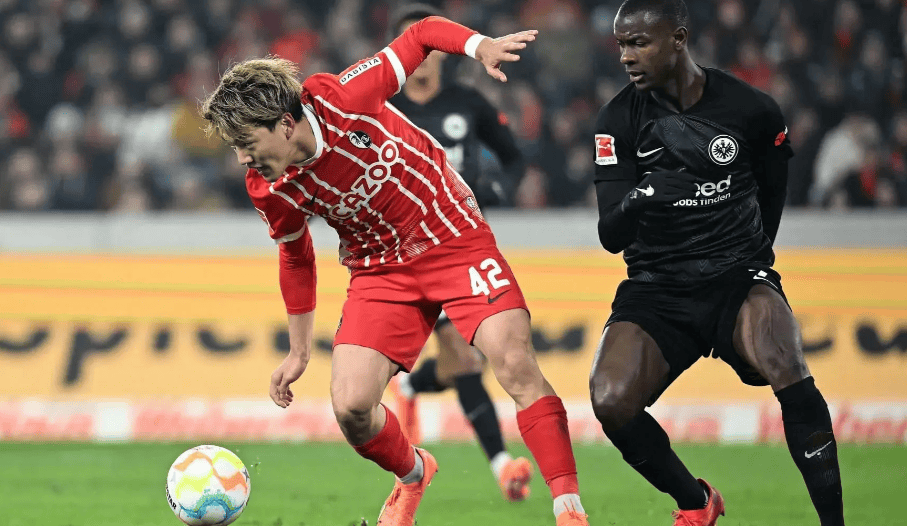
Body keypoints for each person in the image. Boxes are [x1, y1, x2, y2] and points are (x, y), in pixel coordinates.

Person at [201, 16, 590, 526]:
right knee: (351, 407)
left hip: (451, 234)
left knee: (514, 361)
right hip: (379, 270)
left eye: (245, 141)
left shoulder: (343, 98)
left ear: (285, 124)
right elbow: (296, 256)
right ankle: (414, 473)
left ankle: (568, 509)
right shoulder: (268, 187)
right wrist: (298, 350)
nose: (241, 158)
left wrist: (479, 47)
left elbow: (421, 34)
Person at [590, 1, 845, 525]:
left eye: (639, 42)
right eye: (621, 44)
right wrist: (643, 196)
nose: (626, 56)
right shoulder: (616, 119)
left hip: (736, 278)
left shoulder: (751, 109)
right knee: (611, 401)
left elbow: (773, 192)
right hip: (657, 287)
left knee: (787, 364)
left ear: (679, 39)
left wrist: (755, 259)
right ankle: (697, 504)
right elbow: (611, 235)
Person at [383, 3, 533, 503]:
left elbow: (512, 157)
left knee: (465, 362)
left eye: (429, 45)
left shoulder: (468, 103)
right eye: (412, 45)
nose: (422, 55)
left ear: (444, 51)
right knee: (466, 361)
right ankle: (502, 465)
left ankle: (411, 388)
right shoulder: (380, 107)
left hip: (462, 243)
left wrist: (499, 188)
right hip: (404, 250)